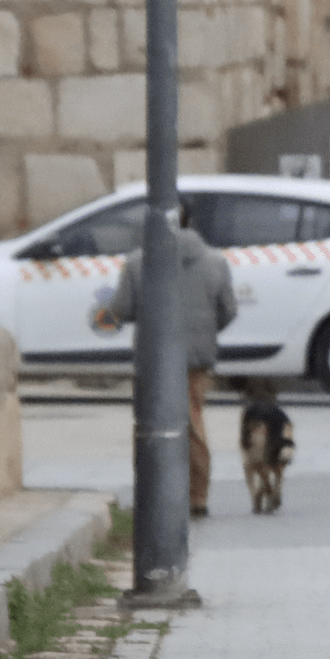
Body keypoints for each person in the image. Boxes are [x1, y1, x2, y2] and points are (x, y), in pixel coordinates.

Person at [97, 209, 241, 518]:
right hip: (196, 358)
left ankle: (152, 495)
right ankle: (198, 495)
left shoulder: (137, 262)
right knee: (193, 423)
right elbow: (228, 310)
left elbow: (120, 308)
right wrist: (204, 332)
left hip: (153, 357)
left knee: (151, 424)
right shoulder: (215, 262)